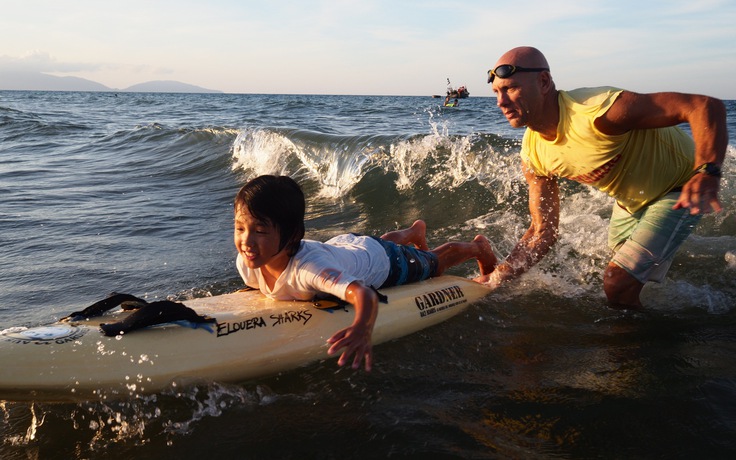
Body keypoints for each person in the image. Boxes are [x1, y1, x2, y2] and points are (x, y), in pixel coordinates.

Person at [475, 46, 728, 308]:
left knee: (616, 284)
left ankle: (636, 345)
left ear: (544, 82)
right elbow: (542, 232)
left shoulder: (599, 112)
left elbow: (704, 106)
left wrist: (707, 171)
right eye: (497, 92)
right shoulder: (533, 154)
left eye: (511, 88)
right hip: (630, 202)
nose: (500, 102)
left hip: (681, 187)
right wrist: (498, 278)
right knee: (619, 265)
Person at [234, 175, 497, 371]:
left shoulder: (309, 270)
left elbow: (364, 296)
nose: (247, 241)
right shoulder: (247, 262)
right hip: (348, 248)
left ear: (292, 236)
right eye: (240, 228)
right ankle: (413, 233)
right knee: (377, 245)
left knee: (433, 264)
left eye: (259, 231)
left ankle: (477, 247)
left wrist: (361, 328)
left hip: (384, 262)